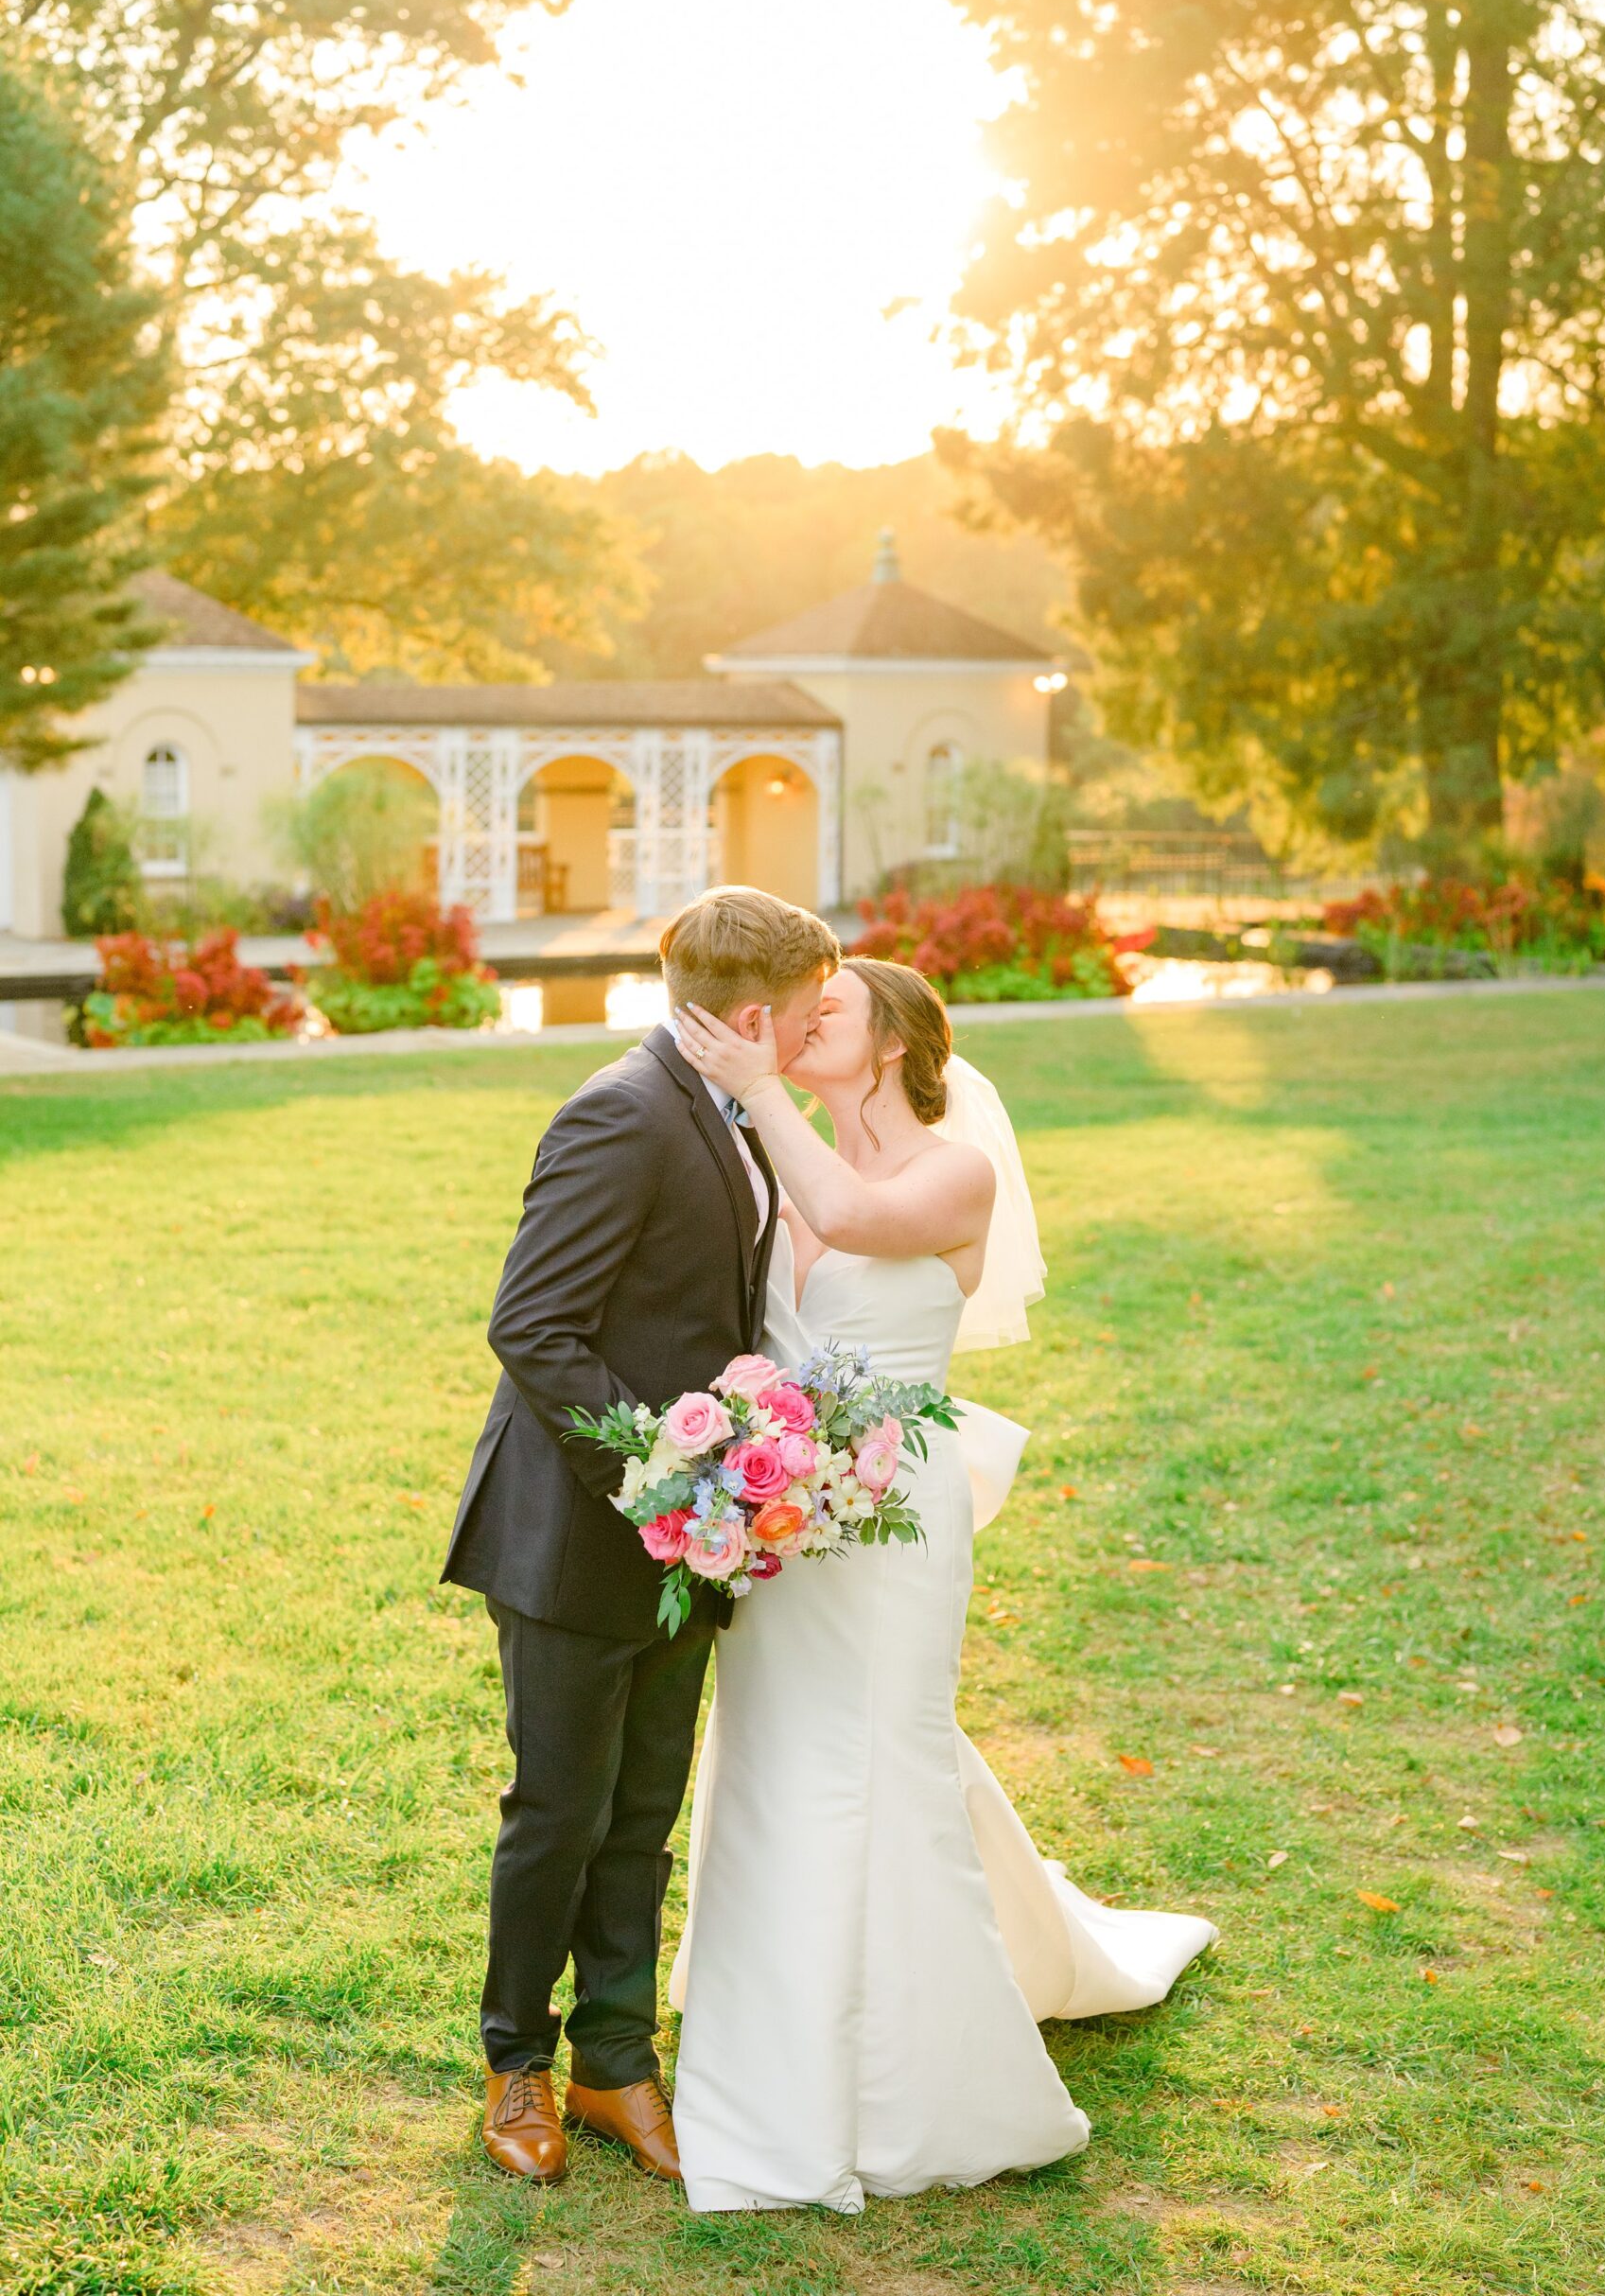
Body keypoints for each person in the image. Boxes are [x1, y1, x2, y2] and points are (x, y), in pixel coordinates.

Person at [669, 958, 1216, 2212]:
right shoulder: (790, 1160)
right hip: (791, 1507)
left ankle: (924, 2065)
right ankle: (777, 2008)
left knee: (887, 1752)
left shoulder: (949, 1171)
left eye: (830, 1013)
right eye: (799, 1014)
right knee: (777, 1745)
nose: (805, 1025)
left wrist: (759, 1092)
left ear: (899, 1043)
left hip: (901, 1515)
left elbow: (856, 1226)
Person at [440, 887, 840, 2186]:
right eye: (809, 1010)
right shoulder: (621, 1110)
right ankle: (518, 2071)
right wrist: (670, 1476)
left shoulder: (725, 1109)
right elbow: (533, 1326)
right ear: (755, 1013)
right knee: (556, 1811)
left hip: (695, 1544)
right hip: (576, 1536)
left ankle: (618, 2066)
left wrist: (732, 1482)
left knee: (642, 1811)